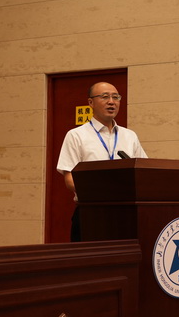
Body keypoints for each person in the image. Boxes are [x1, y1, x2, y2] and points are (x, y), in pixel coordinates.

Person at [57, 81, 148, 241]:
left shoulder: (130, 136)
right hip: (90, 213)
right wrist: (103, 191)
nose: (111, 102)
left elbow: (143, 172)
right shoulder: (76, 135)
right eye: (105, 97)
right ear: (91, 102)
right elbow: (70, 179)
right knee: (89, 256)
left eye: (116, 97)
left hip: (126, 213)